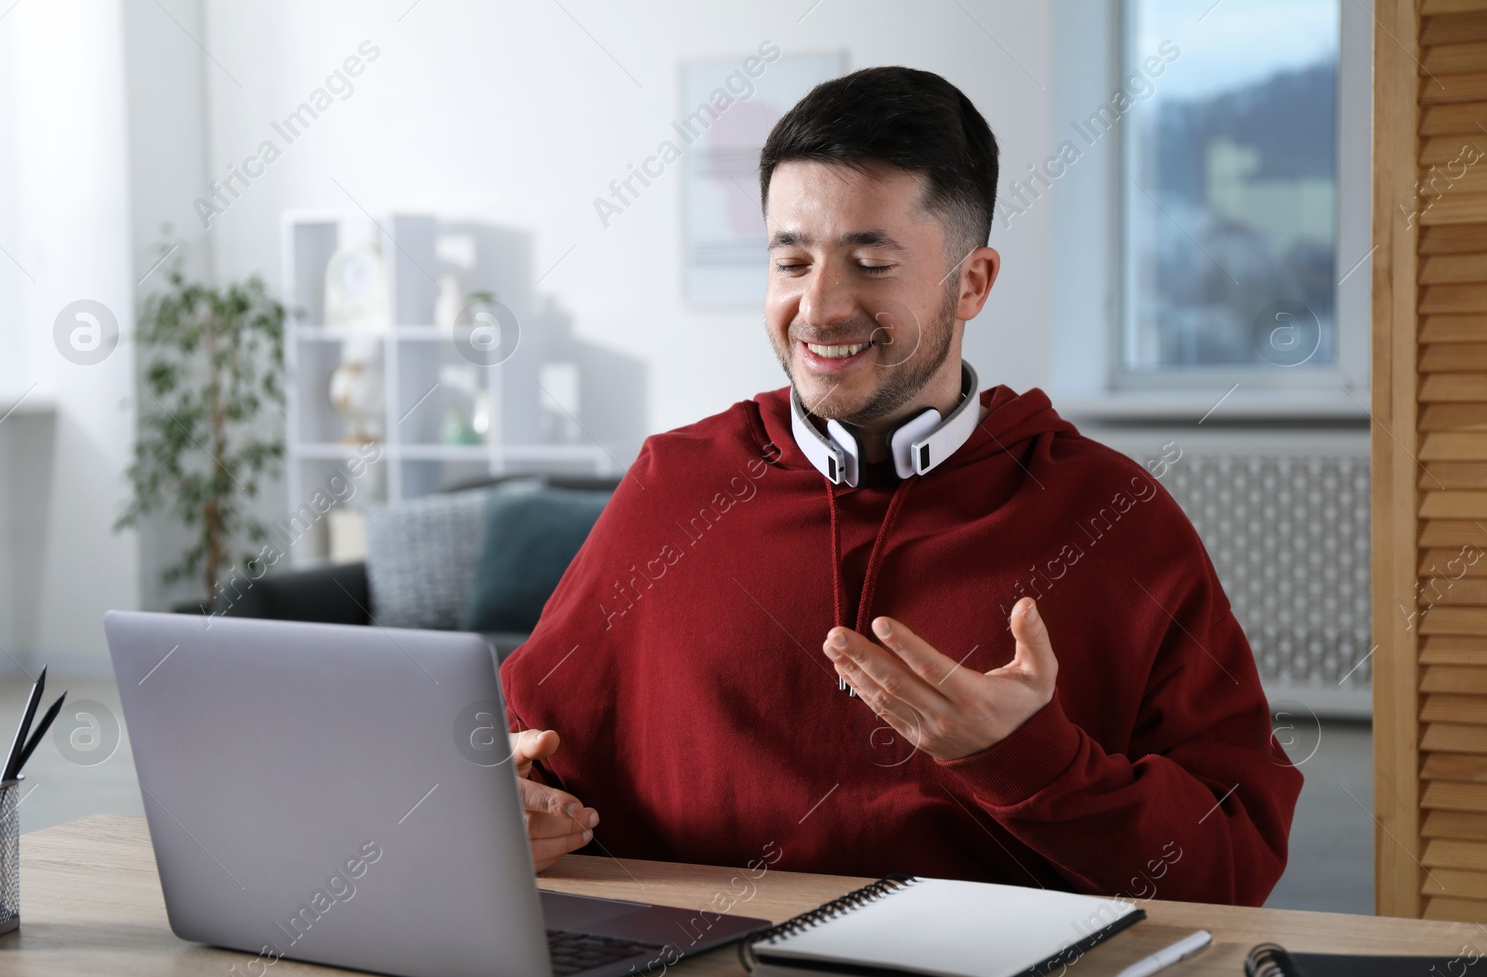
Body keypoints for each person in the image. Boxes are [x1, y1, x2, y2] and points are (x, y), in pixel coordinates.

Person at [499, 66, 1302, 906]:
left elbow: (1234, 865)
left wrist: (1029, 757)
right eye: (792, 260)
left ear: (973, 283)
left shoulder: (1116, 517)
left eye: (872, 263)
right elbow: (531, 753)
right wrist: (509, 806)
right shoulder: (672, 485)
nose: (819, 307)